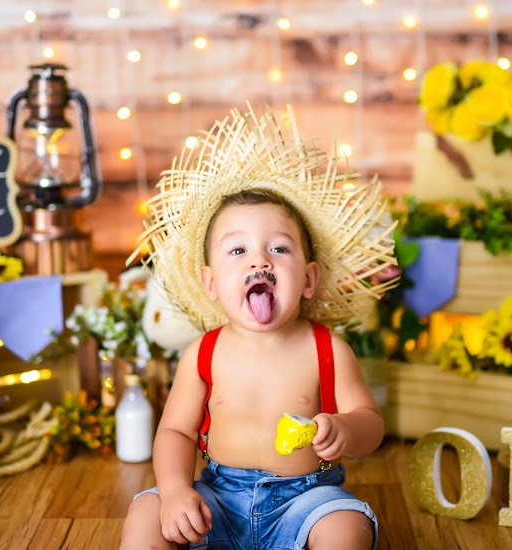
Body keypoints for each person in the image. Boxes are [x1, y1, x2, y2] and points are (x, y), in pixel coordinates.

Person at [121, 105, 397, 549]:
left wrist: (346, 428)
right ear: (210, 283)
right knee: (146, 512)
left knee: (347, 525)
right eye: (237, 251)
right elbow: (176, 431)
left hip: (304, 501)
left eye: (279, 249)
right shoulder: (204, 353)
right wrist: (175, 490)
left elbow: (371, 423)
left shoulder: (326, 349)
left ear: (308, 279)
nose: (259, 260)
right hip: (215, 503)